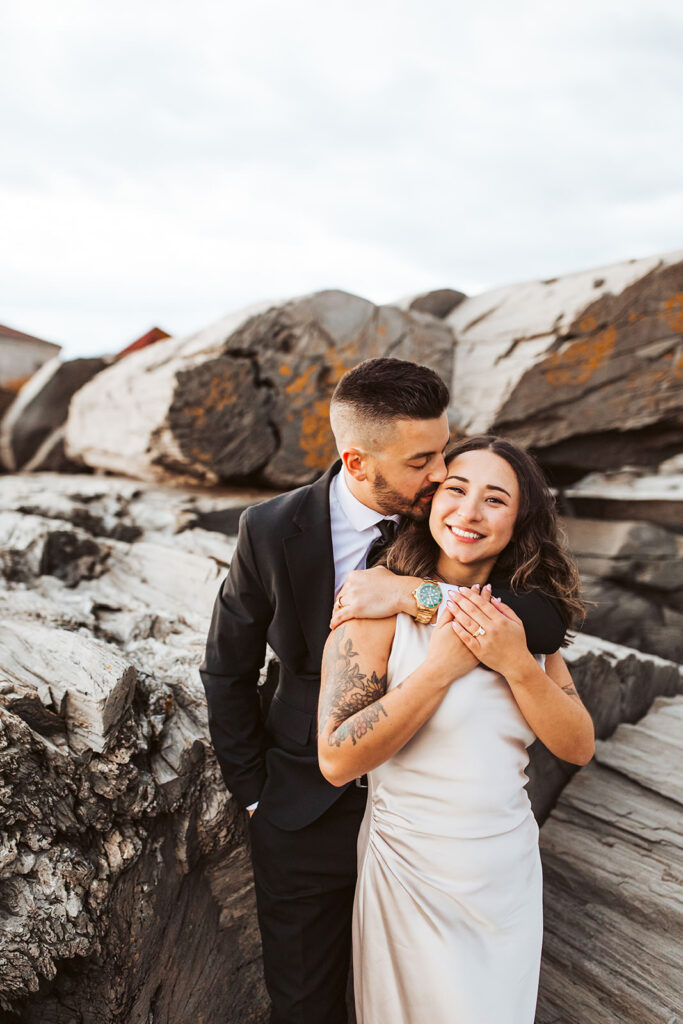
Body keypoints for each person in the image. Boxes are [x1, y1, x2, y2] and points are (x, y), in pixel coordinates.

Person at [200, 361, 566, 1024]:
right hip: (307, 807)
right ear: (357, 461)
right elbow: (228, 667)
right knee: (307, 1005)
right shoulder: (269, 528)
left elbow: (544, 619)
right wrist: (254, 794)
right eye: (422, 459)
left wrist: (410, 592)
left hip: (431, 826)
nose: (439, 475)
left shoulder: (445, 515)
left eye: (442, 450)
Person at [318, 435, 594, 1024]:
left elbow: (576, 744)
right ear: (428, 499)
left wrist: (517, 664)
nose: (469, 512)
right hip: (410, 870)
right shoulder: (375, 607)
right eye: (456, 489)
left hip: (504, 874)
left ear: (518, 521)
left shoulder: (524, 626)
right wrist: (441, 668)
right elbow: (338, 759)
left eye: (495, 500)